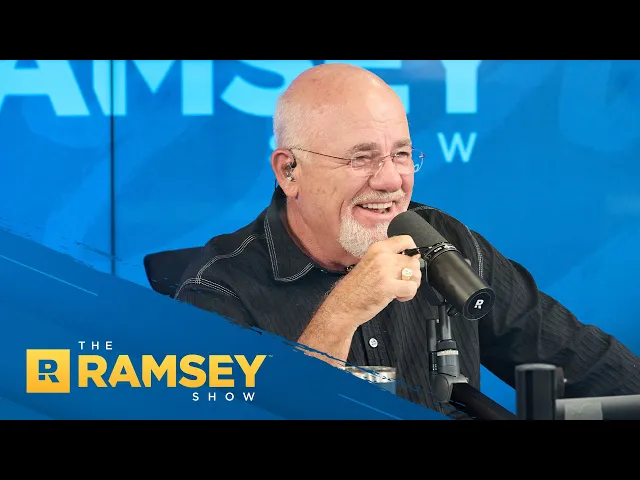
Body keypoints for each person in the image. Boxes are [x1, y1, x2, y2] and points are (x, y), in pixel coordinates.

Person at [175, 63, 640, 417]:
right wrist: (342, 312)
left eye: (401, 154)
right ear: (289, 171)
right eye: (361, 158)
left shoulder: (445, 238)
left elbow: (584, 363)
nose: (391, 181)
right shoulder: (217, 290)